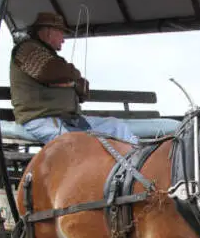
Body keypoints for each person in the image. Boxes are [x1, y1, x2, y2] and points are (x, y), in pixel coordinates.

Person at [9, 12, 139, 145]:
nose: (63, 40)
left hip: (70, 119)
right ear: (48, 32)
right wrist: (72, 78)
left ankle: (133, 162)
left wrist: (70, 81)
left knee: (116, 126)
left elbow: (83, 89)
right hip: (41, 119)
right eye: (61, 33)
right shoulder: (27, 49)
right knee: (76, 144)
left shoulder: (53, 57)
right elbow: (51, 72)